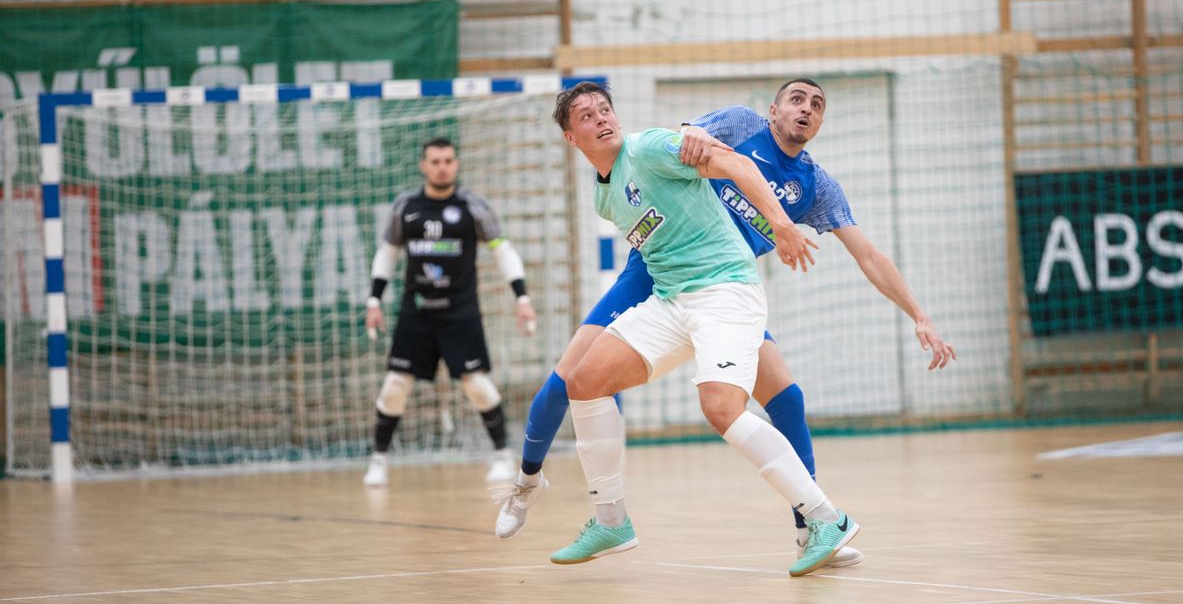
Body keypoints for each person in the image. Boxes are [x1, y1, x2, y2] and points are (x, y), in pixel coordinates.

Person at [496, 78, 955, 571]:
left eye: (817, 104)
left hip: (724, 286)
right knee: (573, 380)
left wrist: (919, 314)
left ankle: (815, 528)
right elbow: (685, 140)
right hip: (658, 271)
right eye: (797, 99)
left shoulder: (817, 187)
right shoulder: (738, 125)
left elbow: (869, 254)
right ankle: (528, 485)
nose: (806, 109)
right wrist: (692, 133)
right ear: (773, 108)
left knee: (777, 399)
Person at [539, 80, 862, 577]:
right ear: (571, 137)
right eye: (587, 116)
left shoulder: (648, 146)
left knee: (721, 408)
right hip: (673, 300)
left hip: (726, 291)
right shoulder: (605, 198)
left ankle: (826, 519)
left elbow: (736, 164)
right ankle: (611, 520)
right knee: (583, 380)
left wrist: (778, 222)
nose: (602, 119)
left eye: (606, 109)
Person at [362, 137, 537, 489]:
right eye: (435, 161)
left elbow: (502, 251)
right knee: (395, 385)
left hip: (460, 312)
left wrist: (522, 296)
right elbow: (387, 253)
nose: (442, 166)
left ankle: (502, 456)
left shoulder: (473, 207)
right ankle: (379, 461)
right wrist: (373, 301)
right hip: (417, 312)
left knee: (477, 385)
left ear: (456, 164)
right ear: (423, 166)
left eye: (448, 160)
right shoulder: (405, 207)